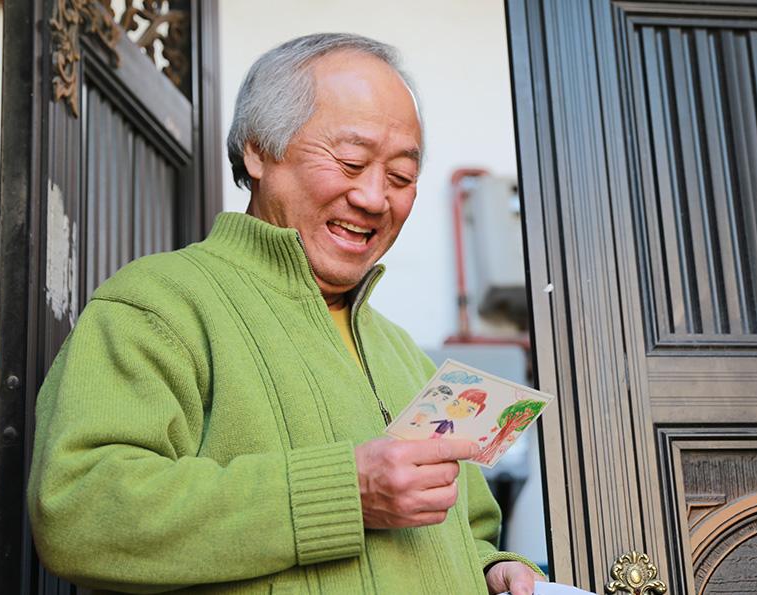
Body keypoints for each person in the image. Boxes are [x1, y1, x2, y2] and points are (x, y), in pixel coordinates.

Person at [28, 33, 543, 595]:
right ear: (257, 149)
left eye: (400, 177)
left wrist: (493, 568)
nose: (375, 197)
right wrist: (345, 491)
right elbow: (78, 511)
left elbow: (468, 529)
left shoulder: (406, 355)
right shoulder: (159, 303)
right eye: (350, 162)